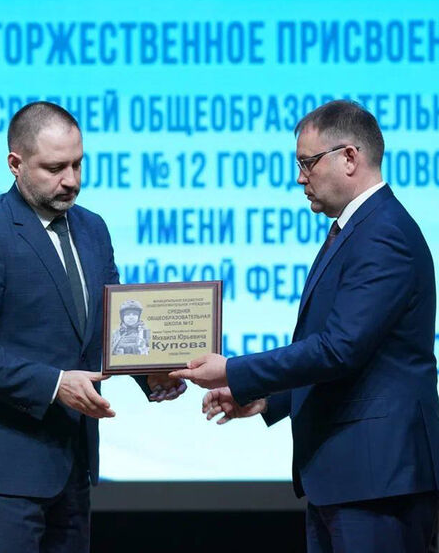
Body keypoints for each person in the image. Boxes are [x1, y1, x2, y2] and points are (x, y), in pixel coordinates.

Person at [171, 100, 439, 552]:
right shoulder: (358, 229)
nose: (300, 178)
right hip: (347, 477)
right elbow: (351, 357)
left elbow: (339, 349)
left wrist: (233, 370)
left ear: (349, 157)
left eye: (307, 163)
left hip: (377, 481)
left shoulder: (383, 233)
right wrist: (268, 399)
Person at [0, 101, 185, 552]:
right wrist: (54, 384)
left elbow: (108, 326)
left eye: (77, 164)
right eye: (54, 168)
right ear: (15, 164)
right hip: (2, 468)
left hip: (72, 462)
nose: (71, 180)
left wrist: (149, 373)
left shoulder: (93, 229)